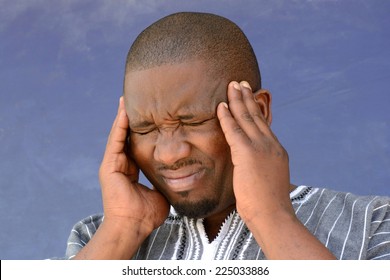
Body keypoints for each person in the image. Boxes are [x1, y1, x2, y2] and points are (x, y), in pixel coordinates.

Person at [65, 12, 390, 260]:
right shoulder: (96, 238)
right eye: (145, 129)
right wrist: (124, 228)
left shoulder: (373, 224)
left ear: (258, 111)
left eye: (191, 121)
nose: (168, 154)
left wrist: (270, 216)